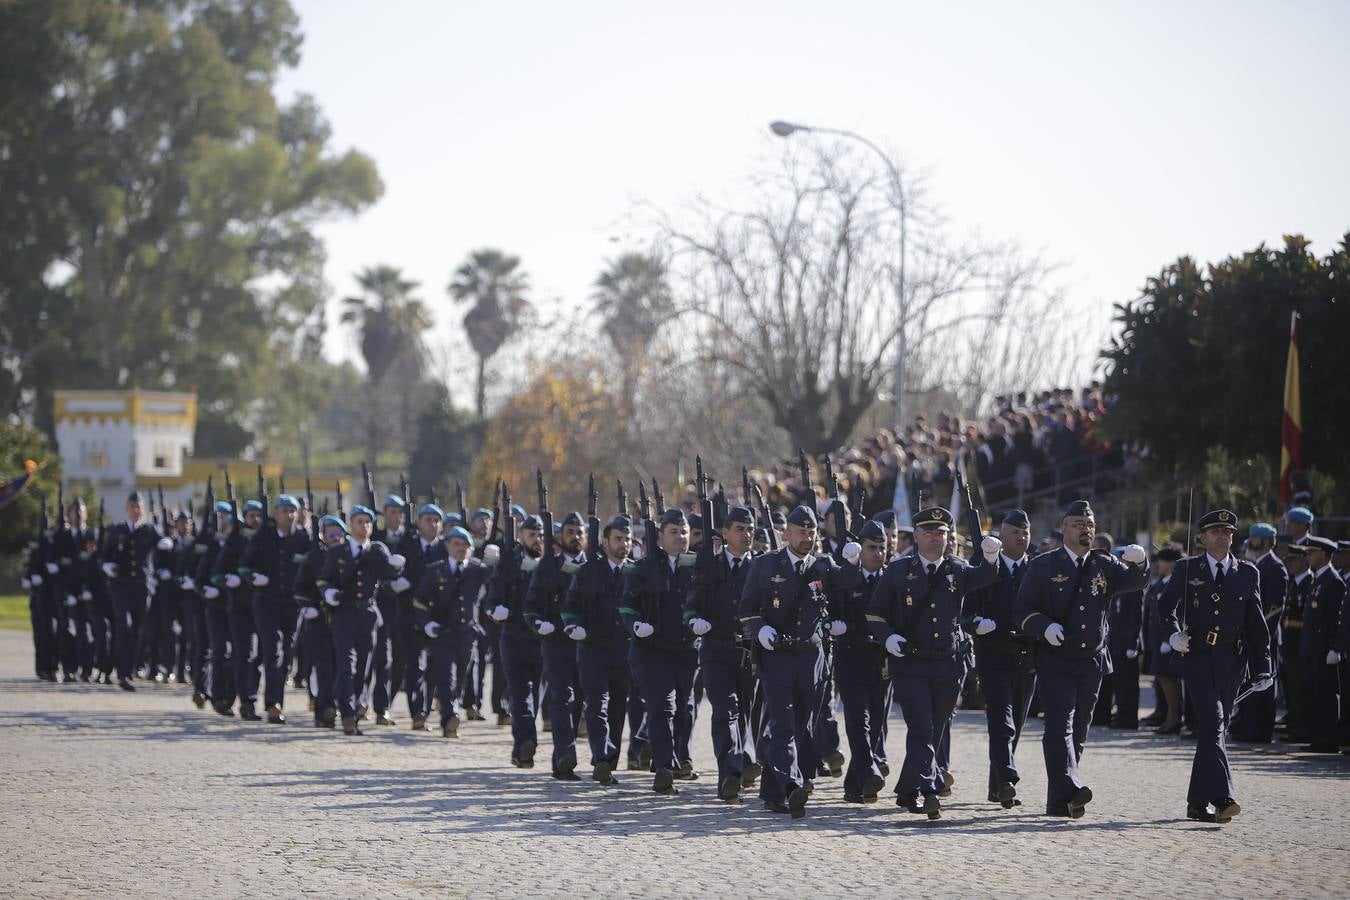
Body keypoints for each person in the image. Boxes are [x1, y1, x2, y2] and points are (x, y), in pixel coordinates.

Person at [1012, 500, 1148, 818]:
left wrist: (1141, 564)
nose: (1085, 529)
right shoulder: (1044, 565)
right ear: (1064, 529)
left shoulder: (1104, 564)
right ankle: (1072, 786)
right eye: (1078, 524)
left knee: (1080, 731)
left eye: (1089, 524)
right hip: (1056, 659)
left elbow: (1137, 582)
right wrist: (1044, 627)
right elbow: (1020, 611)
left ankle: (1059, 800)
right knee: (1060, 727)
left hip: (1092, 661)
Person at [868, 506, 1000, 819]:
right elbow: (875, 612)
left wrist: (992, 556)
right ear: (915, 535)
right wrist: (887, 638)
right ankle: (929, 788)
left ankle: (906, 790)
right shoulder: (899, 570)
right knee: (922, 727)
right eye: (928, 531)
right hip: (910, 663)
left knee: (934, 729)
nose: (935, 537)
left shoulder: (957, 568)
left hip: (946, 663)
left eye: (941, 532)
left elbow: (984, 576)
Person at [1160, 509, 1273, 823]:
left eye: (1227, 532)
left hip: (1232, 660)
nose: (1222, 536)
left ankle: (1196, 803)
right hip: (1197, 655)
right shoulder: (1186, 568)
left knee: (1215, 731)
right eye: (1215, 531)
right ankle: (1223, 797)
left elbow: (1256, 623)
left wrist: (1263, 666)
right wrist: (1172, 634)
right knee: (1214, 722)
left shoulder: (1247, 572)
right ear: (1203, 538)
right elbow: (1163, 607)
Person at [738, 505, 847, 819]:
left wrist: (852, 558)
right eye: (801, 531)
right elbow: (746, 609)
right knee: (783, 724)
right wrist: (760, 629)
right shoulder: (765, 565)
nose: (808, 538)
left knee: (801, 725)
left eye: (812, 531)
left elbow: (848, 584)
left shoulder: (823, 566)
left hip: (810, 657)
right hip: (777, 656)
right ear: (786, 534)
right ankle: (792, 785)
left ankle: (772, 791)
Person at [684, 505, 760, 802]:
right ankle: (728, 773)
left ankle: (742, 761)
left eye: (750, 529)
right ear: (725, 532)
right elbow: (691, 602)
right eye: (740, 528)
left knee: (744, 712)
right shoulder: (709, 565)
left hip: (750, 652)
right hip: (717, 649)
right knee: (725, 710)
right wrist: (694, 620)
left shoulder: (762, 567)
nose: (746, 534)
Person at [622, 507, 700, 795]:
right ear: (660, 536)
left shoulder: (697, 566)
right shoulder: (642, 568)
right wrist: (636, 624)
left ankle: (678, 756)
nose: (680, 537)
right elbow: (627, 604)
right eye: (674, 532)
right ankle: (664, 767)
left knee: (684, 709)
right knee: (661, 708)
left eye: (684, 532)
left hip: (686, 648)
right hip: (652, 649)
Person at [317, 504, 405, 735]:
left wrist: (397, 568)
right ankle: (346, 714)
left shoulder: (377, 551)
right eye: (359, 522)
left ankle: (355, 709)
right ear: (351, 526)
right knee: (347, 665)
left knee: (363, 669)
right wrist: (328, 593)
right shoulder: (337, 552)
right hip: (344, 614)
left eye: (368, 522)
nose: (364, 526)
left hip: (367, 614)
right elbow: (323, 579)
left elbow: (387, 575)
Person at [970, 509, 1036, 807]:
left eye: (1025, 533)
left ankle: (997, 787)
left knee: (1017, 722)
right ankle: (1007, 777)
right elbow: (966, 609)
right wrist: (977, 624)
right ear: (1001, 534)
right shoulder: (986, 567)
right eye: (1014, 532)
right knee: (1002, 721)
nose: (1021, 538)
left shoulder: (1036, 570)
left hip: (1026, 657)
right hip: (993, 654)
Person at [563, 514, 635, 786]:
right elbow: (570, 606)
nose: (624, 544)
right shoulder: (588, 571)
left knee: (618, 707)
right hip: (593, 647)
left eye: (627, 539)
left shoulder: (636, 571)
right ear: (605, 542)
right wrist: (573, 626)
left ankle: (609, 760)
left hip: (623, 649)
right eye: (618, 539)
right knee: (597, 704)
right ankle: (601, 757)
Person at [525, 511, 588, 780]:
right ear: (560, 535)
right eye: (570, 532)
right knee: (561, 697)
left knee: (581, 701)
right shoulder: (548, 566)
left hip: (586, 644)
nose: (575, 537)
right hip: (556, 642)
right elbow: (531, 604)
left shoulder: (592, 565)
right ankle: (564, 755)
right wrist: (539, 623)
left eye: (579, 532)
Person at [832, 519, 890, 803]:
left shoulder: (891, 577)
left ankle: (854, 786)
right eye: (872, 548)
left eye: (882, 548)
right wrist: (835, 623)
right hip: (850, 655)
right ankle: (868, 772)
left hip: (880, 658)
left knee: (877, 721)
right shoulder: (846, 576)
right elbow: (828, 605)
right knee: (859, 719)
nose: (878, 553)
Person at [239, 494, 311, 724]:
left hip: (292, 604)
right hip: (266, 601)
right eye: (284, 511)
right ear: (275, 513)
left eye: (293, 511)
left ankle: (273, 701)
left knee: (287, 654)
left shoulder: (303, 538)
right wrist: (252, 577)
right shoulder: (263, 536)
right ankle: (273, 704)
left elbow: (316, 564)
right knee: (273, 651)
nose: (289, 515)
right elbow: (243, 565)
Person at [414, 526, 489, 738]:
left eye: (465, 545)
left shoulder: (477, 569)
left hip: (467, 633)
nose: (460, 548)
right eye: (456, 544)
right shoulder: (435, 570)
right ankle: (450, 716)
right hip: (442, 633)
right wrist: (427, 623)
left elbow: (498, 579)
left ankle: (450, 706)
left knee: (462, 676)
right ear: (447, 546)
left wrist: (495, 561)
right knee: (446, 676)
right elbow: (419, 600)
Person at [387, 503, 447, 730]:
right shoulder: (406, 544)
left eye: (436, 520)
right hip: (409, 614)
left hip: (437, 616)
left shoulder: (445, 548)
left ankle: (426, 706)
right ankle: (417, 713)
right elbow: (387, 577)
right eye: (428, 520)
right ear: (418, 522)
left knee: (433, 668)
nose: (432, 524)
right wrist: (396, 582)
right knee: (414, 665)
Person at [1230, 523, 1288, 743]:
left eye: (1254, 538)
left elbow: (1275, 608)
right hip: (1248, 635)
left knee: (1264, 682)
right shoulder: (1252, 565)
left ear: (1265, 541)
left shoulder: (1275, 567)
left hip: (1265, 636)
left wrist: (1261, 636)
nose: (1250, 541)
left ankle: (1261, 731)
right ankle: (1247, 725)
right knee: (1249, 681)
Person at [99, 492, 162, 691]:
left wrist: (167, 543)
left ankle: (122, 668)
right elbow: (103, 556)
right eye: (133, 506)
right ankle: (123, 674)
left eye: (139, 506)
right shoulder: (117, 530)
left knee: (137, 630)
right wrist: (106, 566)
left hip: (141, 586)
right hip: (120, 585)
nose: (136, 510)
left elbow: (164, 546)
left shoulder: (150, 531)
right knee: (123, 626)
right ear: (127, 508)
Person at [1299, 535, 1343, 753]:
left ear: (1324, 555)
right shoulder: (1318, 580)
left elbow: (1336, 619)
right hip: (1312, 648)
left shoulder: (1333, 582)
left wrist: (1335, 647)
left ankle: (1327, 738)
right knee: (1314, 693)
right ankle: (1318, 736)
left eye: (1312, 552)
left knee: (1325, 695)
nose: (1308, 556)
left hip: (1324, 649)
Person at [1143, 547, 1184, 734]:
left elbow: (1177, 612)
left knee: (1169, 679)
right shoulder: (1160, 583)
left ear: (1173, 564)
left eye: (1163, 561)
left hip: (1168, 639)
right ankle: (1165, 714)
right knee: (1160, 678)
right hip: (1156, 637)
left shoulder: (1175, 583)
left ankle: (1174, 718)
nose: (1159, 564)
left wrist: (1170, 639)